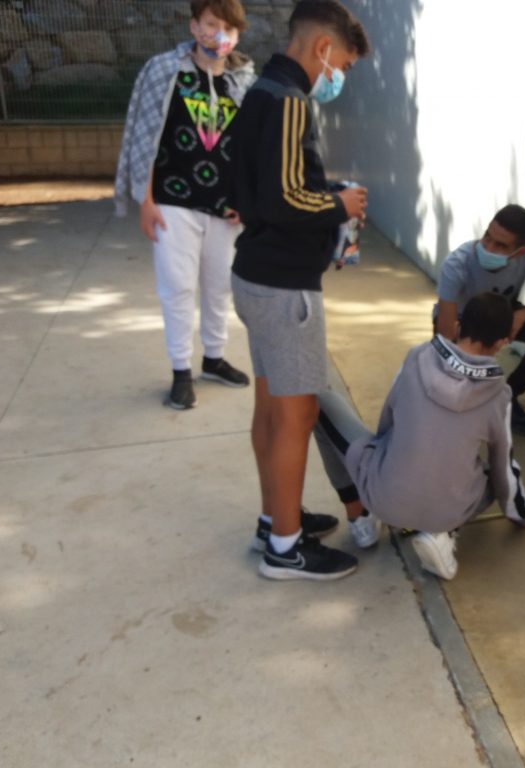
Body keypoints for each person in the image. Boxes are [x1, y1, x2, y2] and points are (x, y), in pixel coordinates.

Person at [229, 0, 376, 581]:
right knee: (297, 414)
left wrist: (324, 197)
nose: (338, 76)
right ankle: (285, 549)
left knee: (271, 408)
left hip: (256, 275)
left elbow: (258, 186)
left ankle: (276, 520)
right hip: (285, 287)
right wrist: (340, 204)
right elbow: (287, 197)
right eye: (343, 64)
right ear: (322, 48)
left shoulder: (260, 92)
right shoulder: (291, 101)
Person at [316, 293, 525, 580]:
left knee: (317, 401)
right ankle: (442, 534)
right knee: (494, 473)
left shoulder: (417, 356)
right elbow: (503, 467)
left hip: (386, 498)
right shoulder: (500, 396)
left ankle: (361, 518)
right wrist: (521, 514)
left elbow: (388, 421)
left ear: (457, 327)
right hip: (449, 511)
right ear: (502, 343)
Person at [115, 0, 257, 410]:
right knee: (177, 287)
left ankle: (214, 359)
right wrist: (145, 200)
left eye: (229, 28)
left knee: (219, 286)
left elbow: (252, 148)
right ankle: (180, 371)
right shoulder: (165, 71)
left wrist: (246, 200)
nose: (220, 35)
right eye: (211, 24)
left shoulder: (245, 81)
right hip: (173, 201)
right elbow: (144, 134)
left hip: (225, 208)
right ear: (194, 26)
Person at [435, 205, 525, 436]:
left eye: (501, 245)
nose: (488, 248)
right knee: (449, 372)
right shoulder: (457, 264)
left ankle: (507, 398)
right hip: (460, 318)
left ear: (520, 252)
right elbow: (445, 335)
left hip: (502, 312)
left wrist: (522, 315)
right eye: (487, 236)